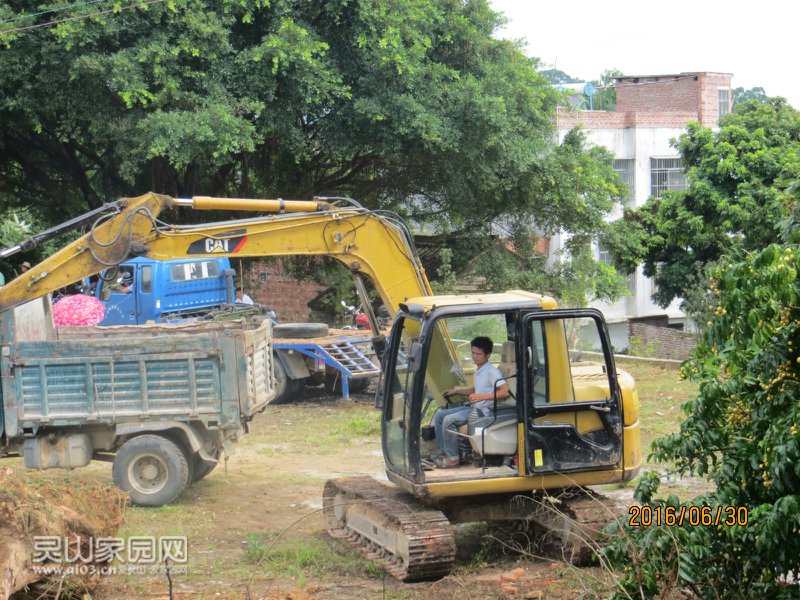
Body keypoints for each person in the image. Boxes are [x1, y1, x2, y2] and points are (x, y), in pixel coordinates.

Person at [432, 336, 509, 469]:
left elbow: (505, 391)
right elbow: (476, 389)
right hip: (474, 407)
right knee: (439, 414)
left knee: (449, 420)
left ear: (488, 355)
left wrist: (481, 397)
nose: (475, 357)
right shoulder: (479, 370)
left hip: (484, 411)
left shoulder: (491, 371)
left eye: (479, 354)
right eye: (473, 353)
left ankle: (453, 459)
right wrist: (456, 392)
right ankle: (443, 452)